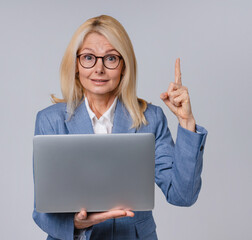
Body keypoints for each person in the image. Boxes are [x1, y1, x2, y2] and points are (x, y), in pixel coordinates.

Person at [32, 15, 207, 240]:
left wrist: (186, 122)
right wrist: (77, 223)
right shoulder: (50, 121)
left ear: (124, 66)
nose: (99, 69)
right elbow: (42, 210)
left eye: (111, 58)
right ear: (76, 65)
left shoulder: (150, 119)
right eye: (88, 58)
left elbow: (182, 195)